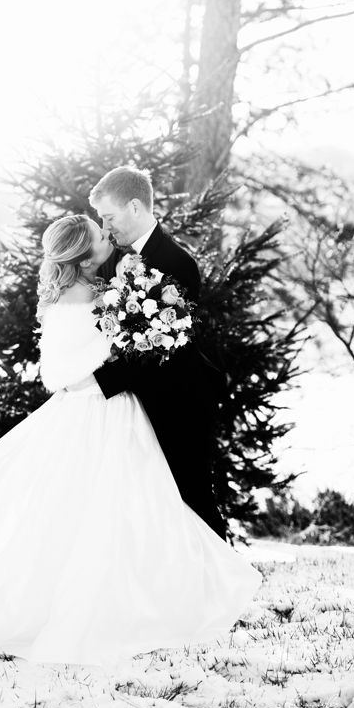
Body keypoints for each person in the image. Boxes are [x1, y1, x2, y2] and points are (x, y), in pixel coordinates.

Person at [0, 214, 259, 667]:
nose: (108, 236)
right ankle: (133, 605)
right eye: (99, 236)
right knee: (114, 511)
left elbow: (76, 363)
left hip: (98, 408)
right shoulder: (87, 297)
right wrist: (130, 335)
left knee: (112, 510)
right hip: (99, 412)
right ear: (84, 255)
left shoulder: (82, 292)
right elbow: (74, 369)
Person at [89, 166, 227, 538]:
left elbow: (159, 351)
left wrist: (95, 385)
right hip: (133, 409)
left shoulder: (177, 264)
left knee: (193, 497)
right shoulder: (108, 260)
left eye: (109, 216)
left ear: (135, 207)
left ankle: (222, 592)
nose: (104, 227)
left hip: (177, 402)